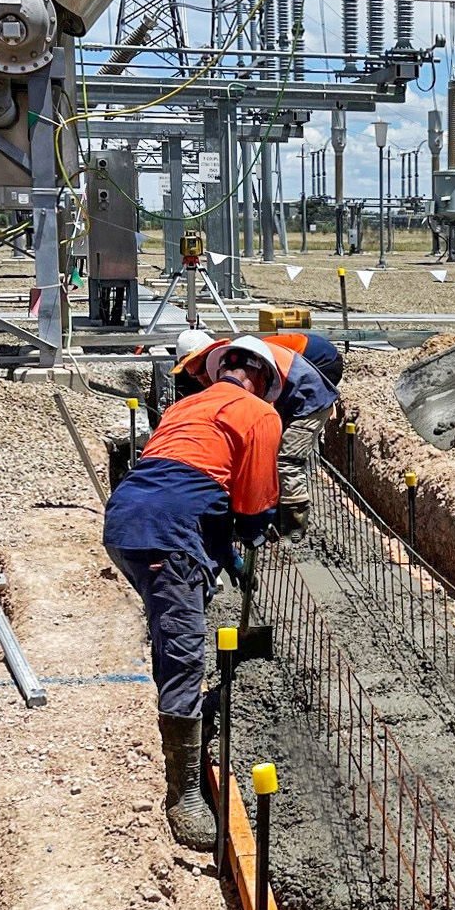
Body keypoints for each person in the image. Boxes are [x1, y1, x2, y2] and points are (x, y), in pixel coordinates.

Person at [103, 335, 284, 849]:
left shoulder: (188, 405)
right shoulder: (259, 414)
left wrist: (225, 556)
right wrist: (249, 541)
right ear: (264, 383)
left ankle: (176, 704)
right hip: (165, 532)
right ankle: (182, 792)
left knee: (175, 614)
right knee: (186, 649)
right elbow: (250, 505)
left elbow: (199, 484)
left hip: (127, 523)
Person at [180, 327, 343, 529]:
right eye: (193, 375)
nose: (201, 380)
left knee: (287, 461)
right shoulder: (236, 363)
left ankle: (293, 525)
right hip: (291, 391)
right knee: (273, 456)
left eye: (200, 372)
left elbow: (262, 420)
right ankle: (278, 504)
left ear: (210, 358)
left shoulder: (249, 365)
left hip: (310, 398)